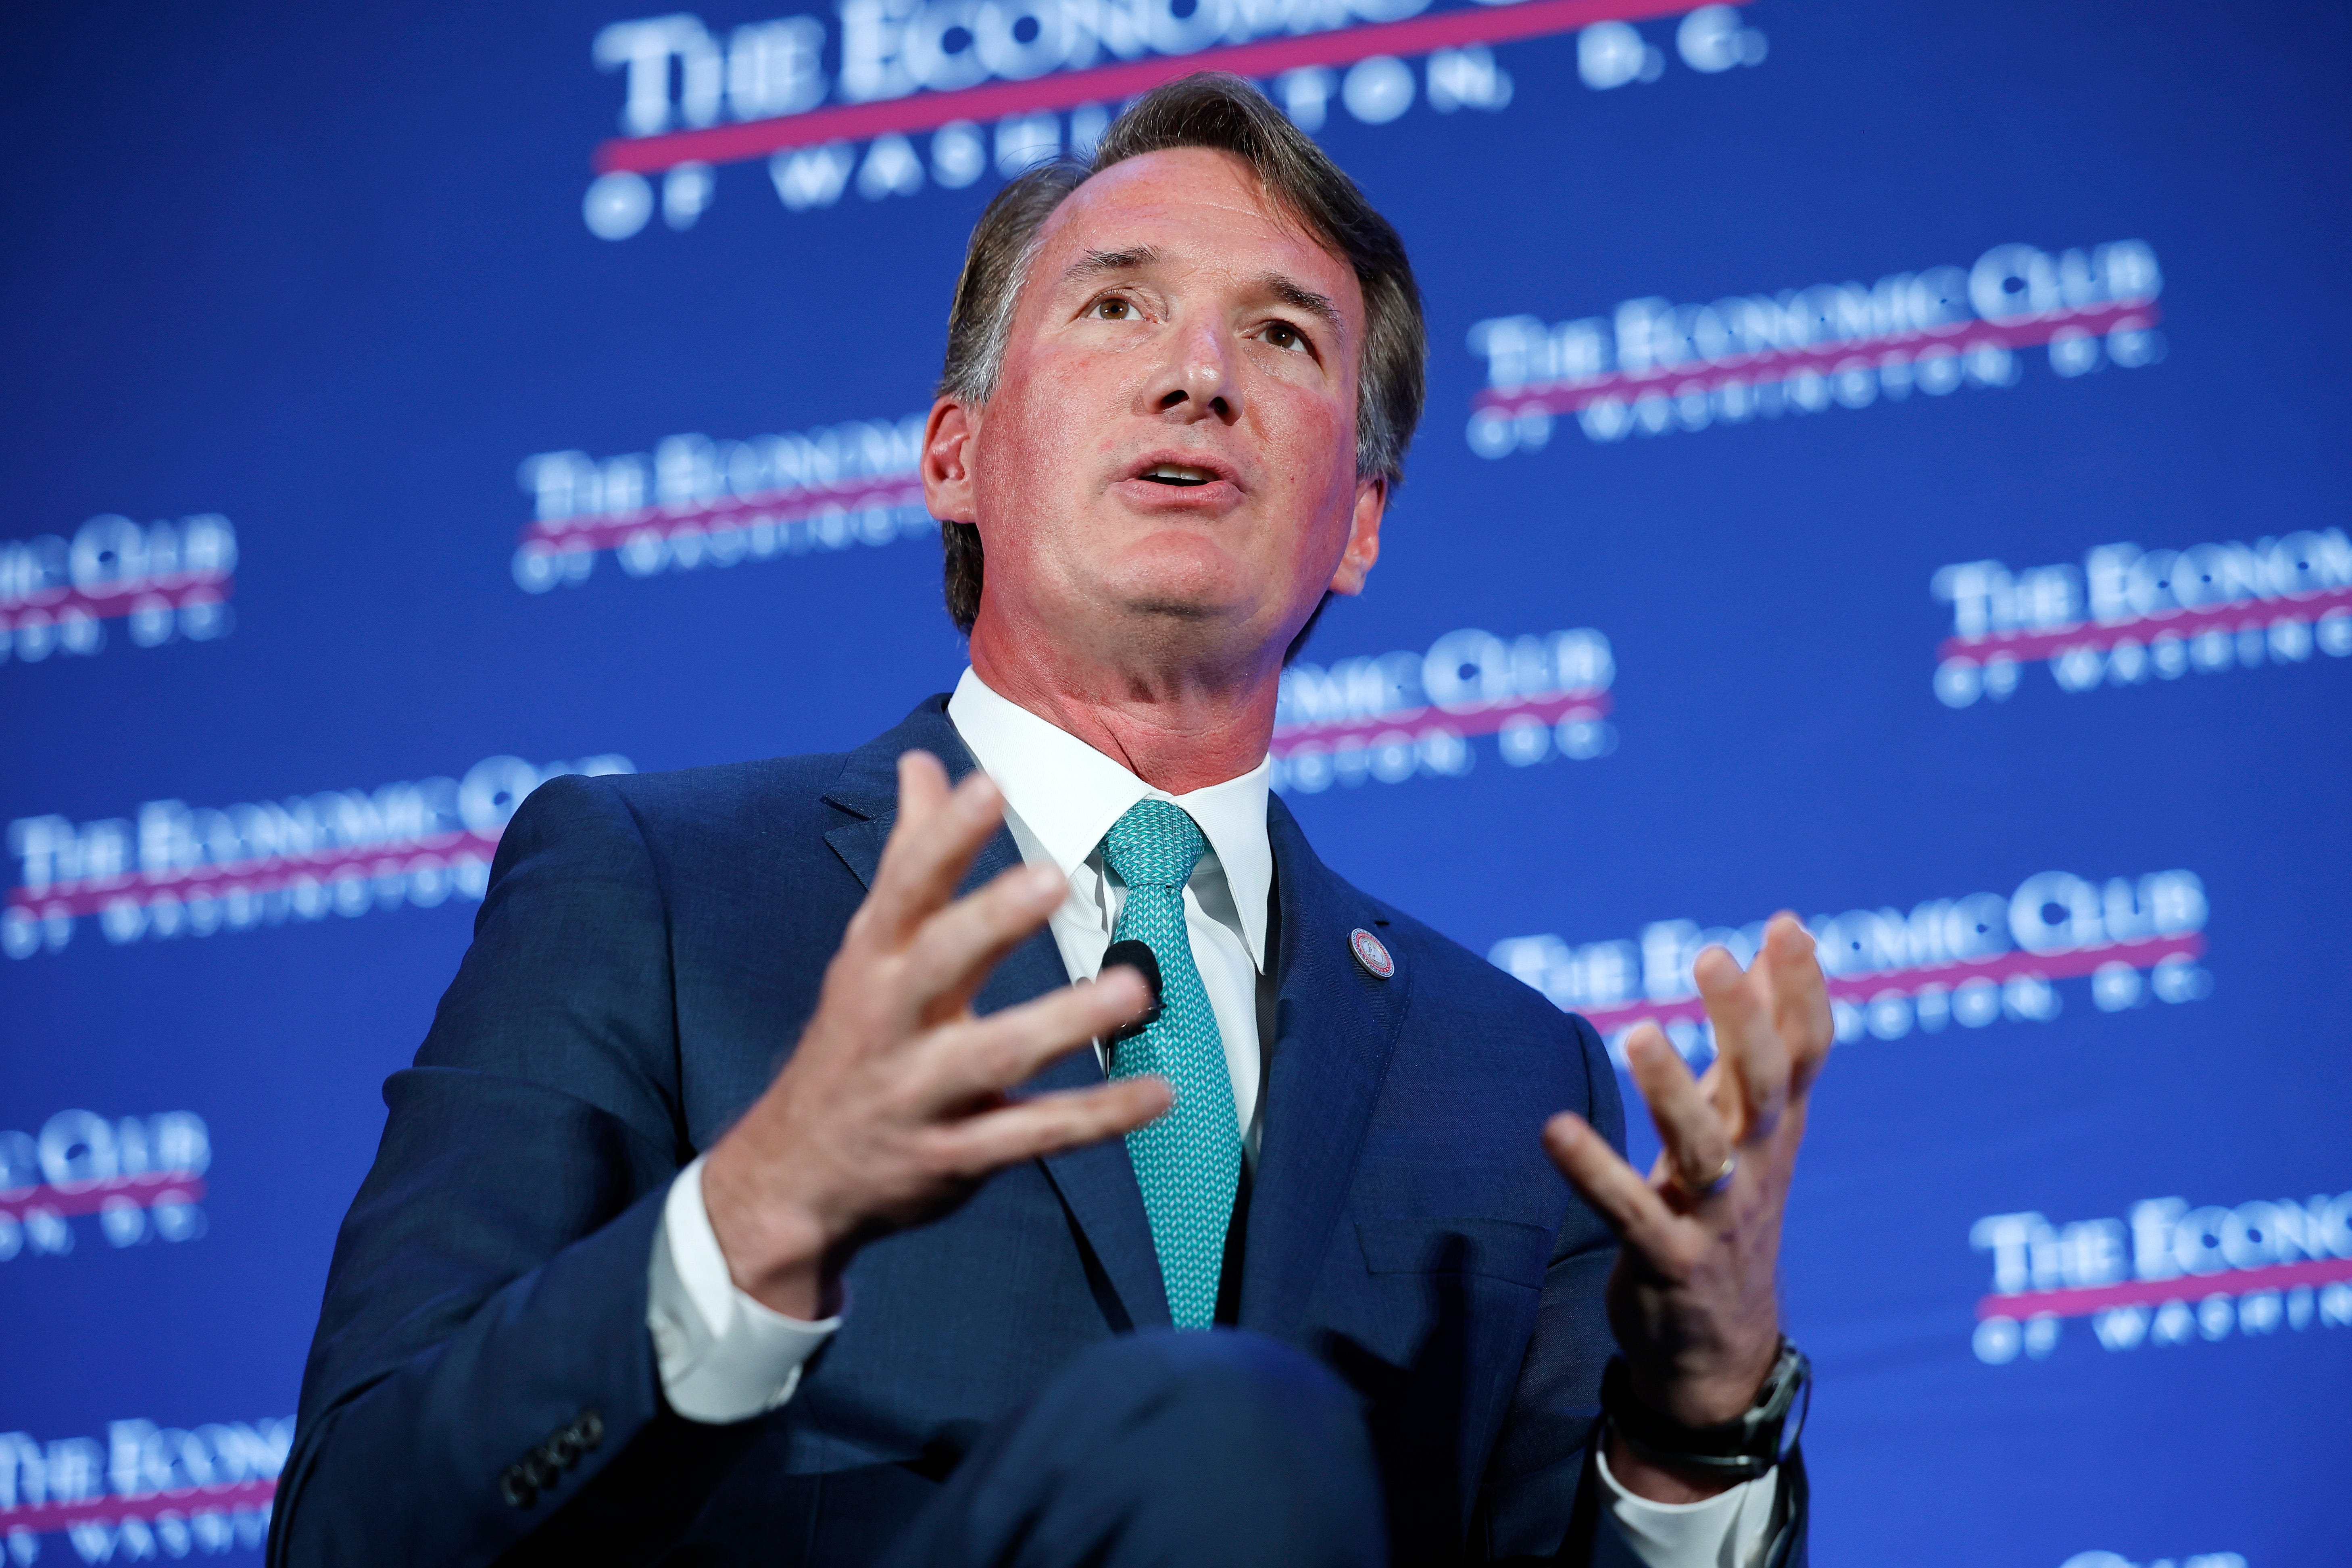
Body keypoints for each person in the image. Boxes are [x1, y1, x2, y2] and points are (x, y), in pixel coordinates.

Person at [270, 73, 1833, 1568]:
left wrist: (1700, 1435)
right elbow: (358, 1525)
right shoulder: (656, 895)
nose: (1200, 375)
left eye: (1284, 337)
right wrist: (750, 1221)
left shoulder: (1510, 1082)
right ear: (955, 456)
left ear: (1358, 525)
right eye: (1117, 307)